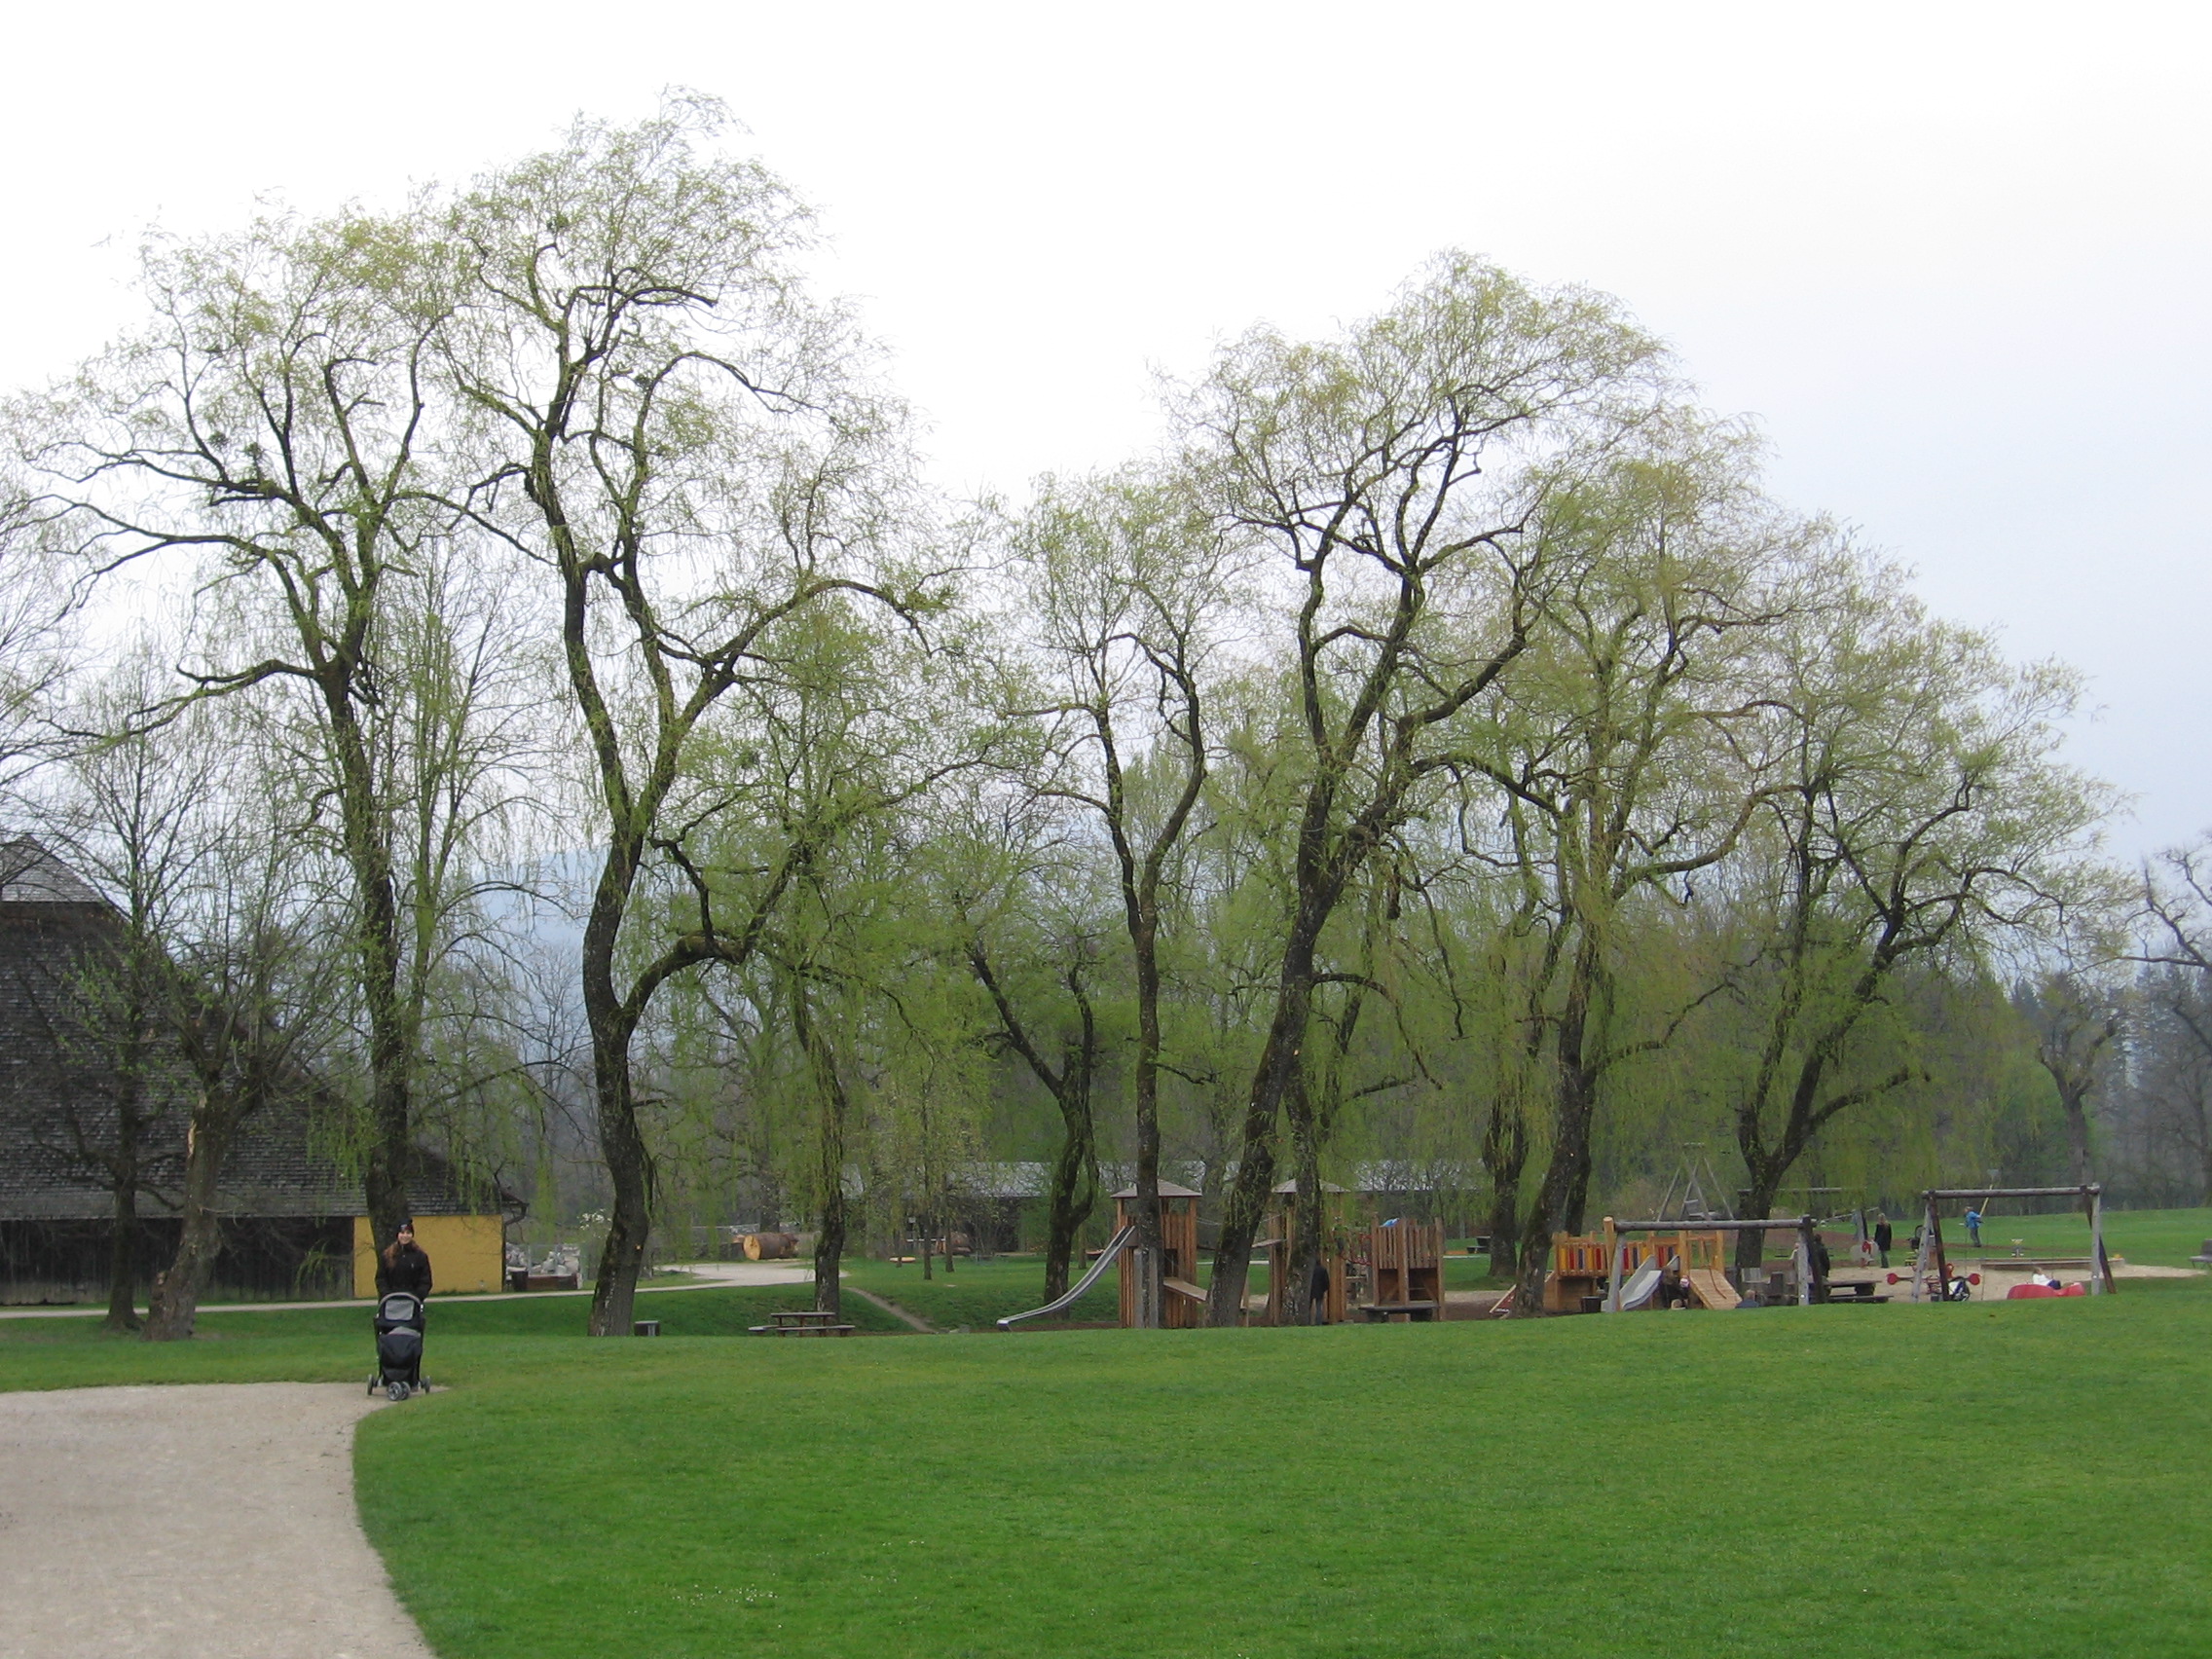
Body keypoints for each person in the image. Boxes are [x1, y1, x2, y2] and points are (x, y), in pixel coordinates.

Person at [377, 1219, 434, 1300]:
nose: (405, 1236)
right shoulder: (387, 1255)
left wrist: (418, 1295)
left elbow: (425, 1280)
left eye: (408, 1233)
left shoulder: (420, 1256)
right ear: (397, 1235)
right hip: (391, 1300)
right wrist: (386, 1294)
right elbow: (381, 1278)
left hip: (413, 1299)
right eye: (402, 1233)